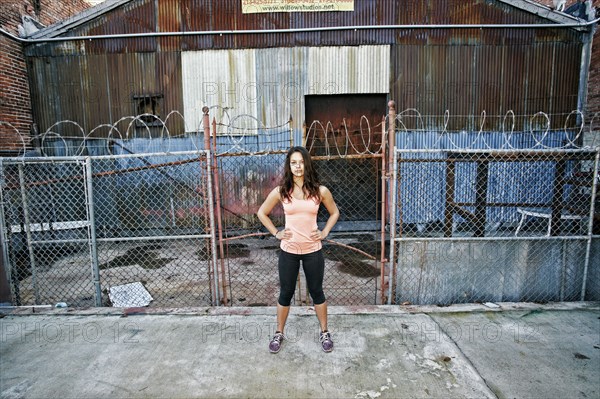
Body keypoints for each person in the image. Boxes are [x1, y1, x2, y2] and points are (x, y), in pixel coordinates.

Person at [257, 146, 340, 353]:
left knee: (317, 292)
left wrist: (324, 232)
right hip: (289, 250)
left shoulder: (320, 191)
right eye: (293, 163)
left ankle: (324, 332)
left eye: (301, 162)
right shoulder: (281, 191)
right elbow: (262, 213)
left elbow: (334, 213)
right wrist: (276, 233)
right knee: (286, 293)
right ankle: (279, 333)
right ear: (289, 166)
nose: (297, 166)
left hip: (313, 250)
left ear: (307, 164)